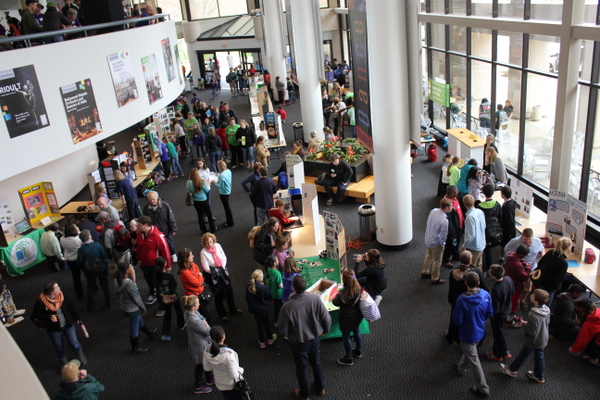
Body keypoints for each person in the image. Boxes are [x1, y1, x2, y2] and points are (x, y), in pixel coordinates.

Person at [278, 275, 331, 400]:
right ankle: (320, 388)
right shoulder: (315, 298)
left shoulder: (287, 307)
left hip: (298, 342)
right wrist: (325, 331)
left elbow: (282, 329)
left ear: (293, 288)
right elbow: (326, 318)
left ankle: (304, 394)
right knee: (316, 363)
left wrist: (289, 334)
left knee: (302, 368)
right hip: (315, 338)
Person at [452, 271, 493, 398]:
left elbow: (457, 320)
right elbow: (489, 312)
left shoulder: (462, 300)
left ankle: (483, 388)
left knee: (474, 360)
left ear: (465, 283)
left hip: (467, 333)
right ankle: (461, 367)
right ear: (479, 283)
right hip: (480, 331)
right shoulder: (485, 294)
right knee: (470, 351)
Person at [31, 281, 87, 368]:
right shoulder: (41, 301)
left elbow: (71, 307)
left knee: (74, 343)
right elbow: (36, 315)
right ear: (51, 292)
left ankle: (82, 359)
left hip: (67, 324)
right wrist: (49, 318)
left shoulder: (62, 296)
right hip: (53, 328)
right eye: (57, 288)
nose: (59, 289)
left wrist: (78, 318)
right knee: (59, 347)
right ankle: (64, 364)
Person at [501, 289, 550, 384]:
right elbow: (541, 323)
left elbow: (531, 332)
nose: (531, 295)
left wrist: (525, 325)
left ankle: (512, 370)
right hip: (543, 337)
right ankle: (539, 376)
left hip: (533, 340)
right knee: (539, 357)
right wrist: (528, 323)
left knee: (523, 355)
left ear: (536, 300)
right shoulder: (546, 310)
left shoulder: (533, 314)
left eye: (533, 295)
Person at [445, 251, 489, 345]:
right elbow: (485, 287)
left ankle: (451, 336)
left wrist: (451, 300)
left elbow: (451, 288)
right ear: (471, 260)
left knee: (454, 319)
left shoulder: (453, 273)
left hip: (457, 300)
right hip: (472, 298)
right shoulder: (475, 272)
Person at [115, 262, 156, 353]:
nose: (131, 268)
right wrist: (142, 307)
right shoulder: (128, 283)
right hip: (132, 308)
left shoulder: (117, 280)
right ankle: (135, 347)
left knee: (139, 321)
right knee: (134, 327)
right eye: (130, 267)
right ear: (126, 270)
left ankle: (149, 333)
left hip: (124, 306)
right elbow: (135, 297)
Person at [200, 233, 242, 321]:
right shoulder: (203, 252)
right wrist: (217, 271)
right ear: (204, 243)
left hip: (222, 271)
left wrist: (222, 267)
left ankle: (233, 309)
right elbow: (206, 267)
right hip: (213, 275)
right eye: (207, 243)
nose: (210, 244)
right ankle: (222, 314)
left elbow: (224, 257)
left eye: (211, 242)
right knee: (218, 295)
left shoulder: (218, 246)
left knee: (229, 291)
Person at [181, 295, 214, 395]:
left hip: (197, 343)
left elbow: (202, 318)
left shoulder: (189, 313)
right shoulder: (194, 321)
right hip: (200, 345)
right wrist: (207, 325)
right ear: (192, 307)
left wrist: (204, 323)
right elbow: (207, 331)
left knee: (205, 362)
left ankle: (209, 378)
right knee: (200, 364)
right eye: (197, 303)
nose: (199, 304)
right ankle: (198, 386)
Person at [136, 216, 171, 305]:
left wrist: (167, 266)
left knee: (158, 283)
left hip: (155, 265)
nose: (137, 227)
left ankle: (162, 303)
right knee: (148, 279)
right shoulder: (140, 234)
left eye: (139, 225)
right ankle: (152, 293)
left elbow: (165, 251)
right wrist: (139, 259)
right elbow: (139, 247)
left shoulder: (157, 235)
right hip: (144, 264)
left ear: (145, 225)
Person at [332, 269, 364, 366]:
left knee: (346, 337)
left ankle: (349, 357)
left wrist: (338, 293)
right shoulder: (359, 289)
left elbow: (334, 302)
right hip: (357, 316)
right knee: (357, 332)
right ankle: (358, 350)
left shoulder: (342, 295)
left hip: (346, 318)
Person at [203, 326, 244, 400]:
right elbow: (234, 375)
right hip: (232, 384)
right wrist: (240, 370)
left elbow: (207, 368)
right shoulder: (229, 355)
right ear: (223, 336)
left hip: (220, 383)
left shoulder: (207, 350)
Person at [77, 229, 111, 312]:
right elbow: (104, 255)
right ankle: (109, 303)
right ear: (89, 237)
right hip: (102, 268)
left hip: (90, 271)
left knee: (91, 287)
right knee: (105, 285)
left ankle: (89, 306)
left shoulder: (81, 250)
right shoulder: (97, 245)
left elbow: (79, 263)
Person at [486, 264, 515, 362]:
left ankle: (499, 354)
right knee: (499, 331)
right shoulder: (508, 279)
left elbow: (495, 306)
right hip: (507, 309)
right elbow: (512, 292)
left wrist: (491, 315)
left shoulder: (496, 289)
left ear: (493, 276)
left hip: (498, 314)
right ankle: (500, 350)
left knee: (498, 333)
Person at [421, 199, 452, 284]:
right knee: (437, 261)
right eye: (451, 206)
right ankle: (435, 278)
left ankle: (425, 272)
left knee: (428, 255)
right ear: (446, 207)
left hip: (428, 238)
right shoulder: (444, 220)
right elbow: (443, 235)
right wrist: (442, 244)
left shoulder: (433, 211)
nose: (452, 207)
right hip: (436, 243)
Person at [534, 237, 572, 307]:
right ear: (568, 248)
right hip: (550, 287)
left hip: (541, 281)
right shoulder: (563, 262)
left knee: (538, 301)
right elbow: (558, 279)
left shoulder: (550, 252)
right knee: (544, 305)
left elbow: (540, 263)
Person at [177, 248, 212, 323]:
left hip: (200, 292)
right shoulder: (184, 272)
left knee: (203, 310)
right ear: (186, 258)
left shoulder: (192, 265)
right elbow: (197, 283)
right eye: (190, 255)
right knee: (206, 316)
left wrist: (199, 276)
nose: (193, 256)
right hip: (195, 296)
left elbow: (198, 272)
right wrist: (200, 276)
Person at [155, 257, 185, 341]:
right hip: (172, 296)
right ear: (165, 264)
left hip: (163, 298)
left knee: (167, 314)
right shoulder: (169, 275)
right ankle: (181, 324)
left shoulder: (156, 276)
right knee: (178, 310)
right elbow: (174, 286)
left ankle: (165, 333)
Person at [246, 269, 277, 348]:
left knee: (259, 324)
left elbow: (247, 298)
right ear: (261, 278)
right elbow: (269, 296)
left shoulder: (249, 286)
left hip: (254, 310)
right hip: (263, 309)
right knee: (266, 324)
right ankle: (270, 339)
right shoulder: (263, 288)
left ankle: (262, 341)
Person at [143, 191, 177, 260]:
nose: (152, 201)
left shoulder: (165, 205)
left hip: (165, 229)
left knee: (169, 242)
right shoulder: (146, 208)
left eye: (153, 199)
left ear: (157, 198)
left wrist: (173, 229)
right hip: (154, 231)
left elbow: (171, 217)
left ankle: (173, 254)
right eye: (150, 200)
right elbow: (145, 219)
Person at [477, 183, 503, 273]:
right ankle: (489, 267)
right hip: (494, 231)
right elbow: (500, 218)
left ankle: (483, 269)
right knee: (489, 248)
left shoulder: (480, 206)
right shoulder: (497, 204)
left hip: (483, 231)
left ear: (483, 193)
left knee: (483, 249)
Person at [505, 244, 532, 327]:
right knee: (513, 303)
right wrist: (528, 268)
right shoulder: (517, 265)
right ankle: (510, 320)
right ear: (522, 255)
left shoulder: (509, 255)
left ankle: (510, 317)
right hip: (515, 286)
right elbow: (524, 277)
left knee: (509, 302)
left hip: (508, 282)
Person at [569, 298, 600, 366]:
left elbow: (583, 340)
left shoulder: (589, 324)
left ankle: (594, 359)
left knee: (588, 343)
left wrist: (574, 349)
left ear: (583, 309)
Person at [187, 168, 216, 234]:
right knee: (209, 214)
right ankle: (213, 228)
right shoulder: (202, 182)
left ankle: (203, 230)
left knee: (200, 215)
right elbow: (207, 190)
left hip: (195, 202)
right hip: (204, 200)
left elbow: (188, 190)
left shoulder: (188, 183)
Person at [462, 195, 486, 270]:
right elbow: (484, 225)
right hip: (481, 243)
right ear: (474, 202)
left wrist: (464, 246)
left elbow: (470, 235)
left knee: (471, 267)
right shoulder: (480, 211)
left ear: (464, 204)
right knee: (479, 265)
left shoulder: (469, 217)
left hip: (473, 247)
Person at [442, 185, 464, 268]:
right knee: (449, 245)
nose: (458, 193)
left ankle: (455, 254)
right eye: (456, 192)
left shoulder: (455, 198)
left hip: (459, 226)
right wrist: (452, 232)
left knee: (457, 242)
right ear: (452, 193)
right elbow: (448, 221)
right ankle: (445, 260)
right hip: (453, 230)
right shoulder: (447, 205)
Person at [61, 224, 83, 299]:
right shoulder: (78, 239)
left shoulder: (62, 239)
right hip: (80, 258)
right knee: (87, 273)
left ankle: (79, 293)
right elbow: (83, 241)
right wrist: (79, 231)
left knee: (75, 276)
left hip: (70, 260)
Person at [213, 160, 234, 227]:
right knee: (227, 206)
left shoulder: (221, 176)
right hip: (228, 190)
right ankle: (229, 221)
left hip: (223, 192)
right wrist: (219, 174)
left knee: (226, 208)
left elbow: (220, 185)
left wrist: (214, 183)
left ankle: (230, 222)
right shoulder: (228, 171)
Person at [499, 186, 516, 261]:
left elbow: (509, 221)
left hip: (507, 230)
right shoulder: (512, 202)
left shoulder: (506, 207)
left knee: (505, 244)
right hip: (511, 229)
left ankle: (504, 257)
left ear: (503, 195)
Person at [265, 255, 283, 324]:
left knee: (276, 307)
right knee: (279, 307)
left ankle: (276, 321)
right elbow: (280, 285)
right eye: (277, 260)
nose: (278, 261)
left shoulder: (268, 270)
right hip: (278, 293)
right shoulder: (277, 273)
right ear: (275, 263)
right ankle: (279, 321)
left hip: (272, 291)